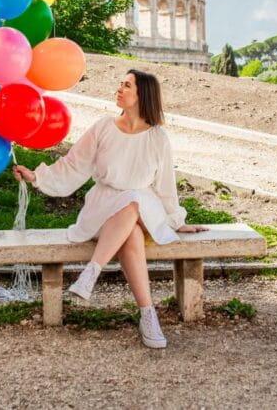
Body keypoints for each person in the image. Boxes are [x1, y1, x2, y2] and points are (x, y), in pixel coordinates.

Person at [13, 69, 208, 348]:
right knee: (130, 230)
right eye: (120, 83)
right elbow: (73, 165)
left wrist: (176, 221)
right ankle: (147, 313)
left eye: (127, 85)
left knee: (132, 202)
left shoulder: (157, 138)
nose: (119, 88)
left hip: (143, 207)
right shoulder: (103, 127)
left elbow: (166, 186)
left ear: (143, 95)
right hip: (104, 206)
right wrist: (37, 177)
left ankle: (93, 273)